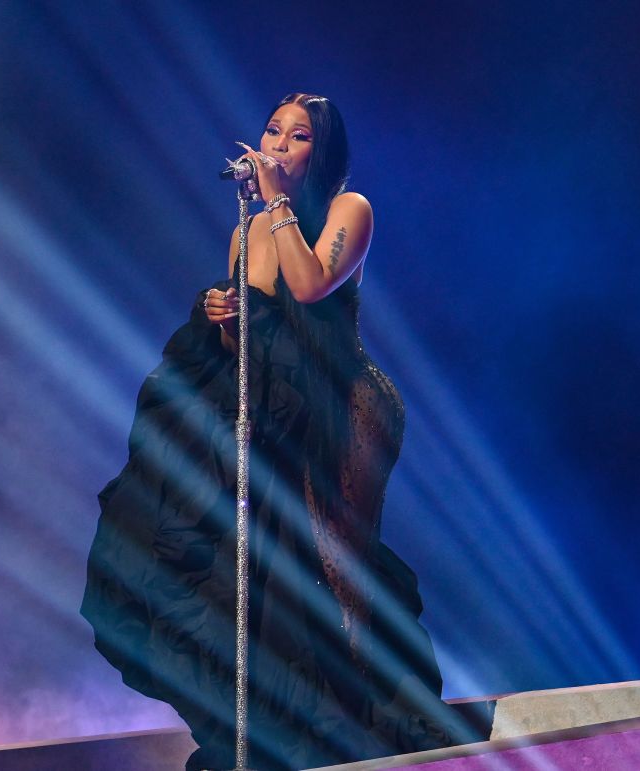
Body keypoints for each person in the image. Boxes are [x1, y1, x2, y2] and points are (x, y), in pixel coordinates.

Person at [81, 93, 479, 770]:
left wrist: (279, 206)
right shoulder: (246, 232)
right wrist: (224, 313)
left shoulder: (350, 210)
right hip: (271, 412)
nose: (280, 143)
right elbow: (252, 353)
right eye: (274, 130)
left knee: (332, 563)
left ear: (320, 153)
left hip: (342, 408)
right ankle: (274, 728)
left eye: (298, 137)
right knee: (251, 565)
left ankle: (373, 725)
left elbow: (312, 283)